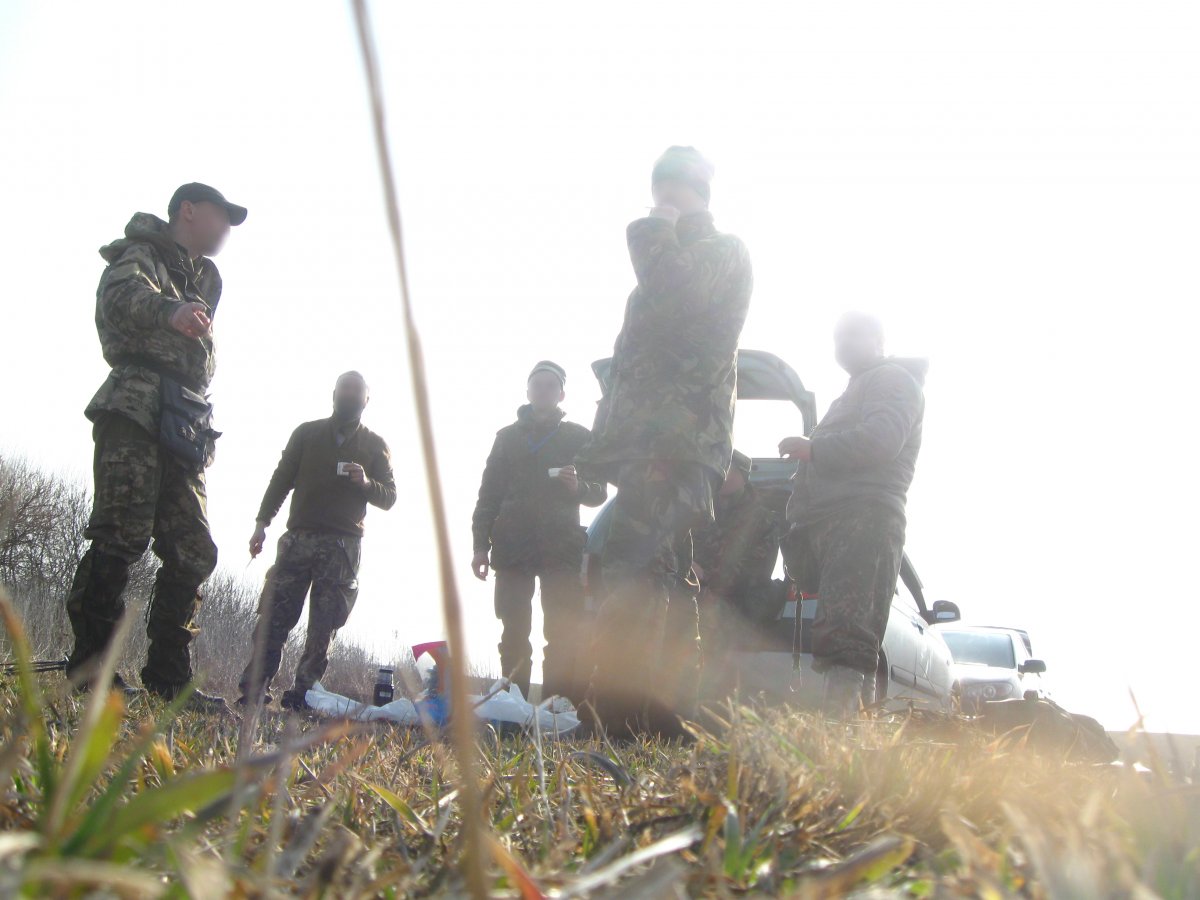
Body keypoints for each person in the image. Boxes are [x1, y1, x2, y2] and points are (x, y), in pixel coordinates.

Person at [574, 146, 753, 738]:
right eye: (660, 185)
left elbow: (676, 295)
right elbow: (635, 361)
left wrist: (654, 230)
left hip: (674, 442)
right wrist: (606, 443)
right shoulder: (668, 255)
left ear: (699, 192)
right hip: (656, 441)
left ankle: (621, 717)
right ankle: (660, 718)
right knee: (661, 576)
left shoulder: (719, 252)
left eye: (676, 185)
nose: (664, 195)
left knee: (636, 571)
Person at [65, 183, 247, 709]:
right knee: (120, 536)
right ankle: (90, 672)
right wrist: (169, 311)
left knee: (193, 551)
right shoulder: (141, 254)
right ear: (188, 211)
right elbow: (119, 299)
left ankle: (169, 680)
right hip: (136, 406)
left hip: (184, 422)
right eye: (220, 215)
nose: (227, 228)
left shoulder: (204, 278)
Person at [778, 313, 927, 718]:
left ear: (879, 340)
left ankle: (839, 729)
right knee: (843, 634)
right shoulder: (858, 388)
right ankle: (848, 731)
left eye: (853, 335)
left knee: (848, 636)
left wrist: (814, 449)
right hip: (843, 522)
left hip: (863, 521)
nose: (843, 344)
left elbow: (882, 440)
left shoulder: (892, 379)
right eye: (837, 338)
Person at [237, 372, 396, 710]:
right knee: (273, 616)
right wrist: (262, 524)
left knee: (324, 627)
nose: (350, 395)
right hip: (298, 539)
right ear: (333, 393)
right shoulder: (307, 434)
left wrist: (366, 483)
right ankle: (254, 692)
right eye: (345, 389)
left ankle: (303, 696)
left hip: (342, 546)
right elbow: (281, 479)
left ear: (367, 400)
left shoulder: (374, 445)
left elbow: (390, 496)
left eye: (357, 391)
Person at [470, 362, 607, 703]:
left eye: (551, 386)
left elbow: (599, 492)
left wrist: (577, 487)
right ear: (528, 392)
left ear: (562, 394)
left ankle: (554, 707)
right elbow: (488, 495)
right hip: (511, 546)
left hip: (560, 549)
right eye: (538, 385)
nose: (543, 391)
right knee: (513, 632)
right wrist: (479, 546)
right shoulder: (507, 438)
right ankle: (512, 704)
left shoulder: (579, 437)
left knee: (560, 633)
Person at [692, 450, 784, 703]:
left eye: (728, 469)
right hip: (690, 594)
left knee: (711, 622)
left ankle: (709, 706)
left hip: (737, 605)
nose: (721, 474)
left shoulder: (763, 520)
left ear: (742, 475)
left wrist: (706, 576)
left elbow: (756, 573)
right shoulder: (700, 509)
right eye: (719, 467)